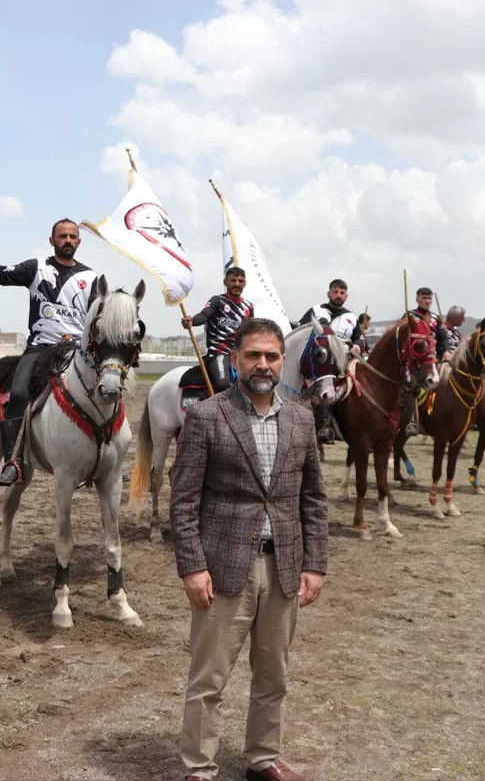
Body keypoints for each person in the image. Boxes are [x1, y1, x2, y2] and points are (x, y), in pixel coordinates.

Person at [169, 317, 329, 781]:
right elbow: (183, 500)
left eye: (271, 356)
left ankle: (262, 759)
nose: (263, 364)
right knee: (209, 680)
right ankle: (199, 768)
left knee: (273, 675)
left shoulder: (301, 417)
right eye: (253, 355)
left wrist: (315, 564)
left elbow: (314, 499)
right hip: (222, 569)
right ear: (235, 359)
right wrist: (193, 566)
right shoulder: (206, 416)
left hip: (284, 567)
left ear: (283, 361)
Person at [0, 219, 97, 485]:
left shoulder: (91, 277)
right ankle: (13, 461)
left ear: (79, 242)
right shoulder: (37, 268)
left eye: (72, 236)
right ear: (52, 241)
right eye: (62, 236)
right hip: (40, 348)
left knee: (105, 389)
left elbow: (95, 319)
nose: (68, 240)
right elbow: (2, 275)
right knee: (20, 393)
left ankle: (101, 461)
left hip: (75, 351)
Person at [295, 279, 363, 444]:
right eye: (335, 291)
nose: (338, 295)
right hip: (320, 358)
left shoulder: (351, 317)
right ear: (329, 294)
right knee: (326, 378)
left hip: (344, 358)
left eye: (342, 292)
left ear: (346, 296)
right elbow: (298, 331)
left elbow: (359, 339)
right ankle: (324, 426)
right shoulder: (316, 312)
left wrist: (358, 346)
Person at [181, 266, 254, 395]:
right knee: (224, 384)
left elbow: (251, 332)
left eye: (240, 281)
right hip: (219, 353)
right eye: (233, 280)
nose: (237, 284)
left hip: (241, 354)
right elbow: (204, 315)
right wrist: (192, 321)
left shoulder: (248, 306)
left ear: (245, 283)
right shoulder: (218, 301)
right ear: (225, 282)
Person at [403, 287, 440, 436]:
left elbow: (443, 337)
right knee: (410, 385)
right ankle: (411, 420)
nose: (427, 301)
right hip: (416, 361)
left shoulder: (436, 318)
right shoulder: (410, 316)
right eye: (424, 298)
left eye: (430, 298)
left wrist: (448, 352)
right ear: (417, 299)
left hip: (434, 359)